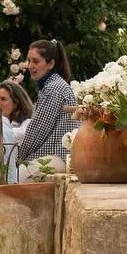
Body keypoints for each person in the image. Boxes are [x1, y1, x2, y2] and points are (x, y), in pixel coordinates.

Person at [16, 38, 77, 170]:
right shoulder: (55, 86)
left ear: (50, 64)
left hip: (54, 158)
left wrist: (19, 158)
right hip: (57, 157)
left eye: (36, 61)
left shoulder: (52, 89)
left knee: (11, 178)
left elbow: (37, 132)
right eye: (29, 61)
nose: (30, 66)